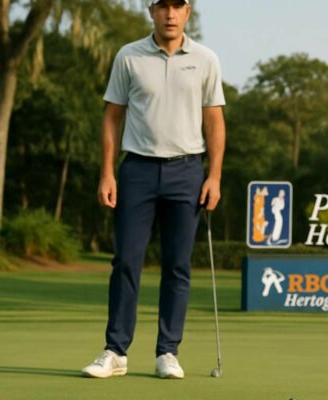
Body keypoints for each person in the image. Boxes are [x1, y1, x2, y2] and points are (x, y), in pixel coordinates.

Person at [82, 0, 226, 379]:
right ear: (151, 10)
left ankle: (168, 352)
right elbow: (112, 117)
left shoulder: (206, 59)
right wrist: (107, 173)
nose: (170, 13)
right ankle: (115, 351)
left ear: (188, 12)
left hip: (187, 171)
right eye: (162, 6)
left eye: (177, 6)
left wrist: (214, 176)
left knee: (177, 267)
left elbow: (214, 122)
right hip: (137, 171)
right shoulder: (129, 56)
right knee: (126, 262)